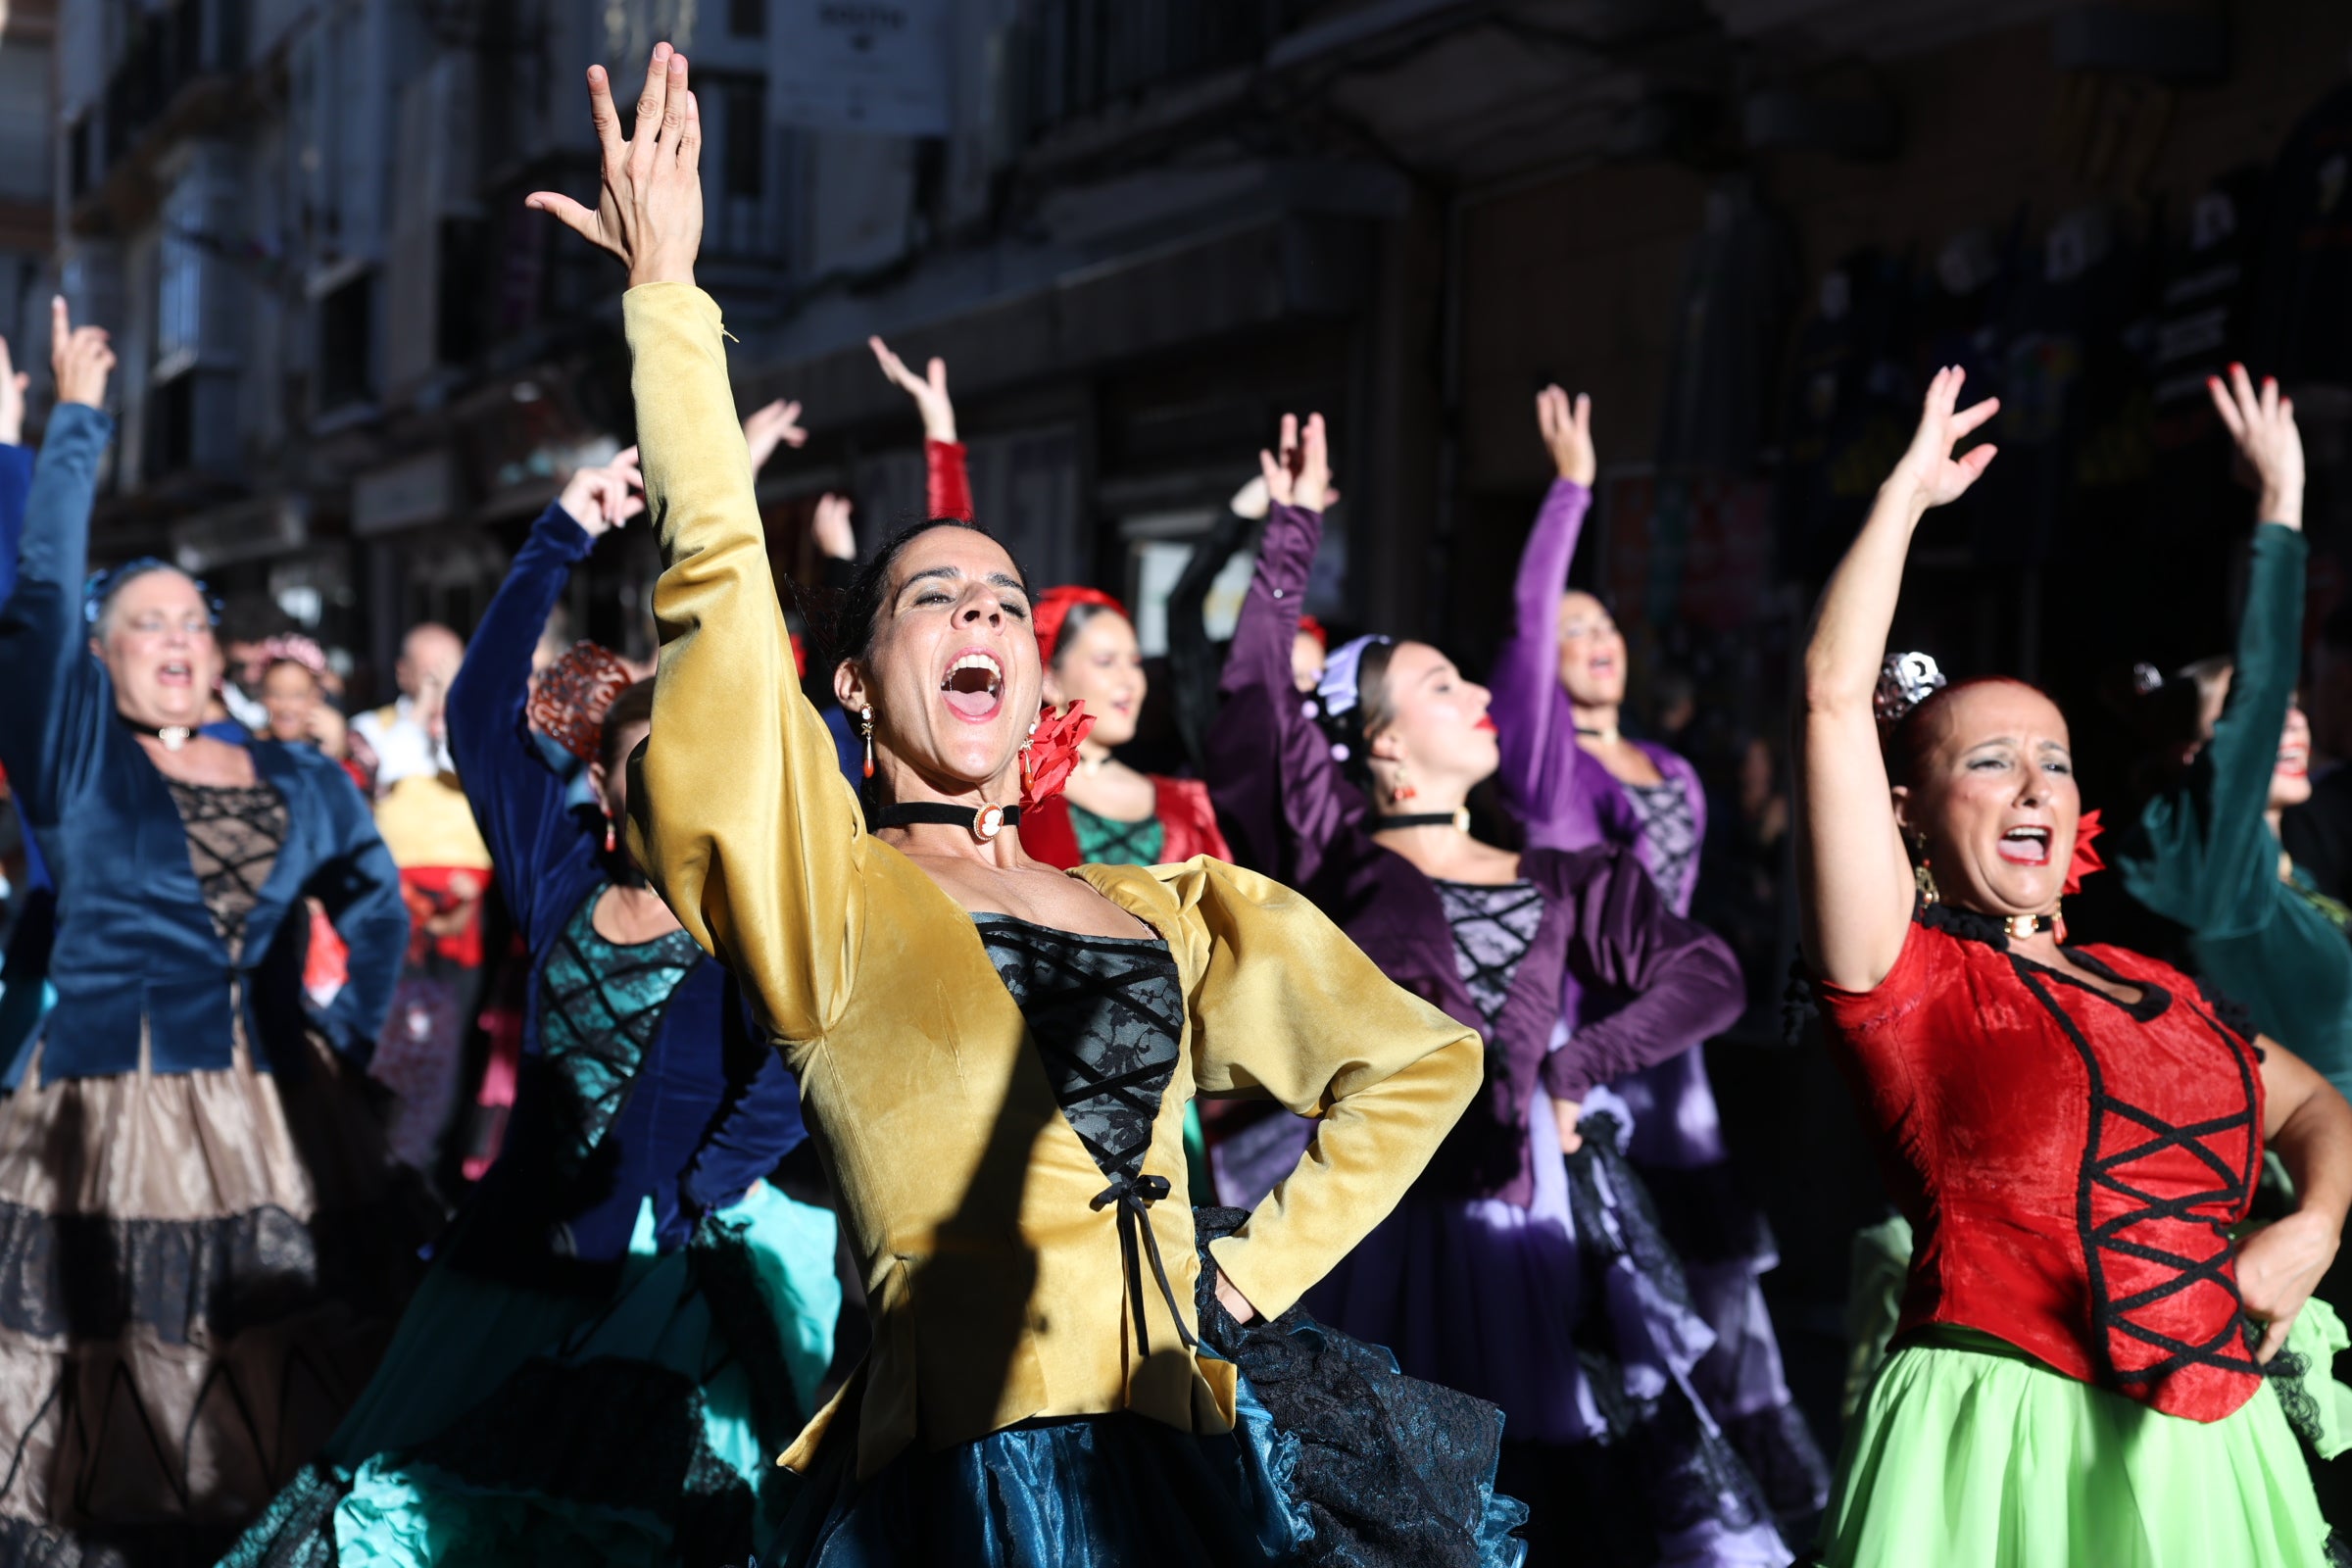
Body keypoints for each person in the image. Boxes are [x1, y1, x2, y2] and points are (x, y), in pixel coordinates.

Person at [526, 47, 1524, 1565]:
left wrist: (1249, 1275)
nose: (982, 614)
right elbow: (722, 611)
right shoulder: (827, 897)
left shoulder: (1169, 906)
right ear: (851, 687)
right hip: (974, 1479)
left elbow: (1420, 1064)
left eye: (1006, 598)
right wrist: (670, 298)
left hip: (1188, 1441)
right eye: (933, 598)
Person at [221, 449, 842, 1568]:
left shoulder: (758, 904)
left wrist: (708, 1186)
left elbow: (804, 1052)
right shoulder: (561, 878)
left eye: (691, 759)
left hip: (667, 1281)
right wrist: (561, 527)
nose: (668, 779)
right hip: (504, 1269)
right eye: (639, 758)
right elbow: (476, 712)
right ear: (599, 781)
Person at [1209, 413, 1790, 1568]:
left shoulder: (1563, 872)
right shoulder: (1337, 857)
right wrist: (1292, 531)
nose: (1476, 689)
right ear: (1379, 743)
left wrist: (1576, 1068)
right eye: (1439, 682)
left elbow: (1709, 971)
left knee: (1553, 1501)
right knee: (1370, 1509)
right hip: (1371, 1231)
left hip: (1526, 1231)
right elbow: (1251, 714)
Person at [1794, 364, 2352, 1566]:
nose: (2036, 779)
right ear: (1912, 814)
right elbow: (1835, 697)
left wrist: (2316, 1222)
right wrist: (1903, 497)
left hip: (2213, 1443)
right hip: (2003, 1439)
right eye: (1990, 760)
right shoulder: (1909, 980)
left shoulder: (2156, 987)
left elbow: (2310, 1103)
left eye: (2053, 756)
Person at [0, 300, 422, 1564]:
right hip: (93, 1114)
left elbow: (378, 898)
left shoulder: (295, 778)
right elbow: (29, 608)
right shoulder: (76, 763)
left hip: (267, 1127)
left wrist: (336, 1035)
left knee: (258, 1432)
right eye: (147, 621)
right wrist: (64, 428)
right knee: (102, 1427)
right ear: (98, 656)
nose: (179, 639)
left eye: (196, 620)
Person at [1488, 386, 1826, 1519]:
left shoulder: (1672, 771)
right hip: (1582, 1057)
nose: (1593, 641)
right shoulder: (1546, 773)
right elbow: (1529, 620)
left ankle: (1753, 1512)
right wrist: (1571, 491)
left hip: (1675, 1067)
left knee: (1722, 1301)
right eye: (1576, 630)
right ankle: (1643, 1514)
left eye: (1609, 625)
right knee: (1621, 1311)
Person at [2109, 368, 2352, 1106]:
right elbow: (2267, 674)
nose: (2292, 719)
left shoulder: (2294, 881)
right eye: (2252, 715)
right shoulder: (2216, 875)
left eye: (2298, 706)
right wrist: (2282, 499)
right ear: (2193, 756)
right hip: (2298, 1193)